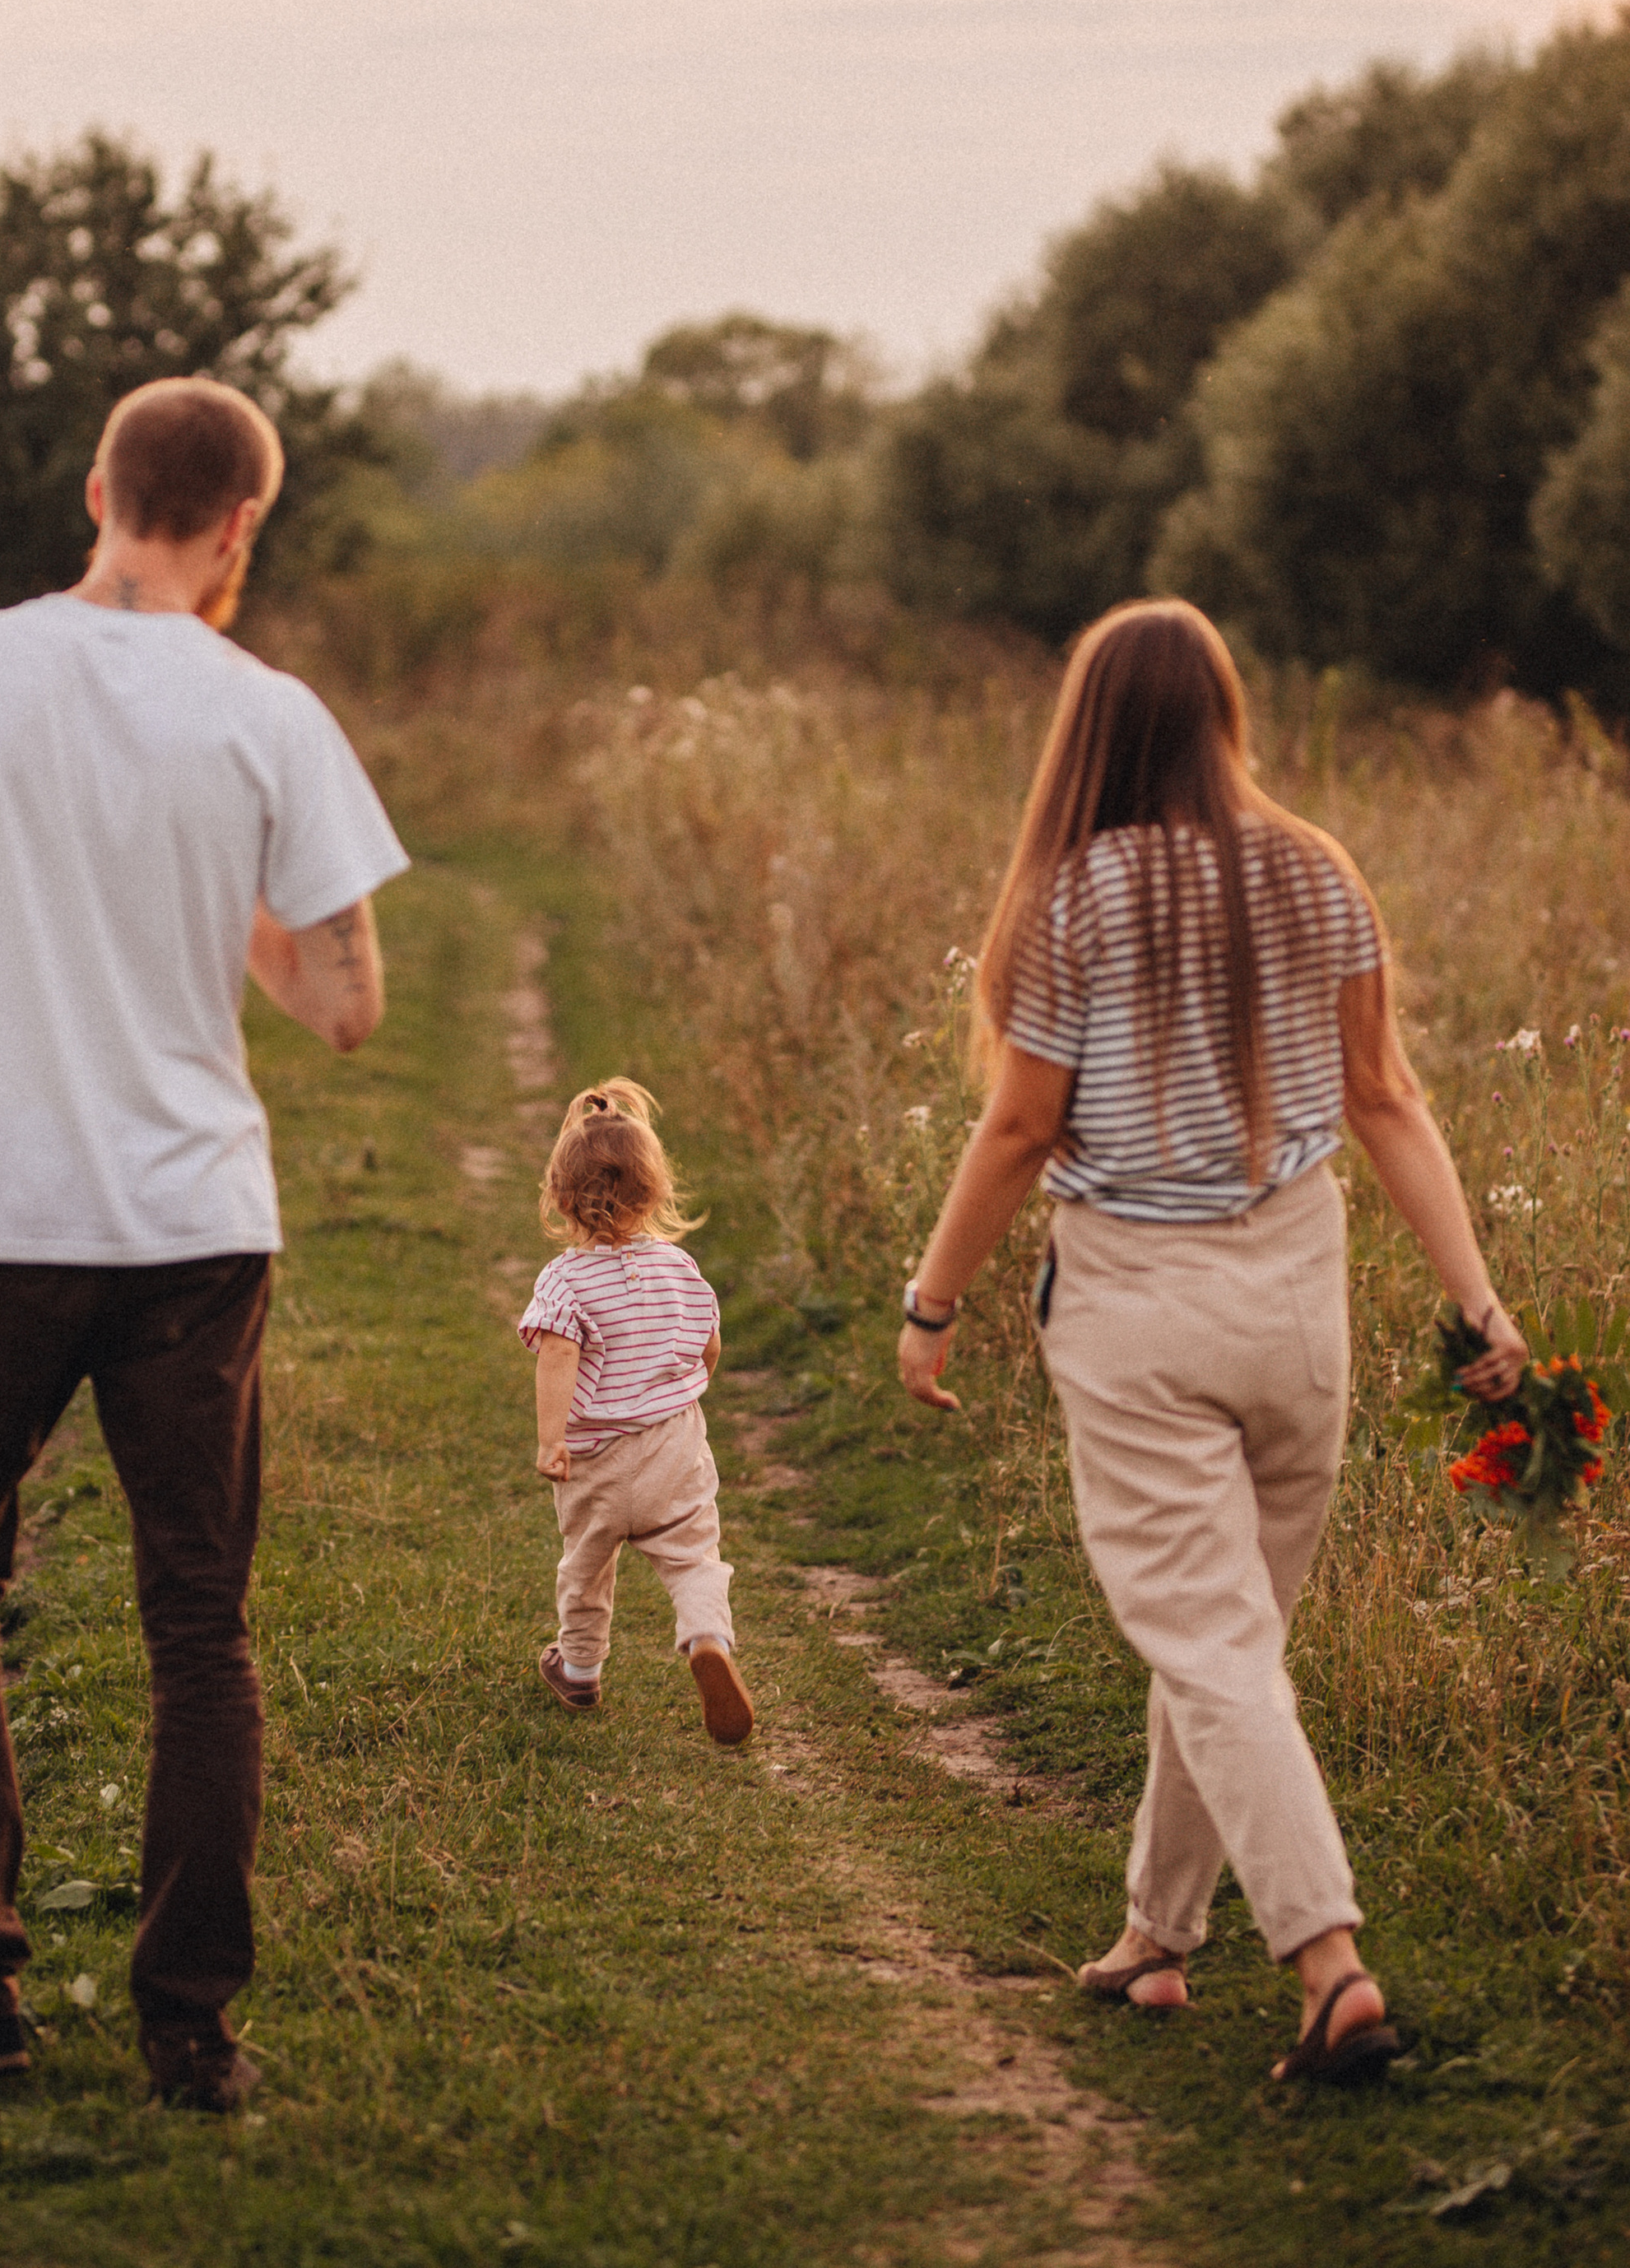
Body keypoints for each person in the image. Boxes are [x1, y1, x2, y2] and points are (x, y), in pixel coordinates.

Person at [0, 376, 408, 2112]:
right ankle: (190, 2032)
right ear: (243, 526)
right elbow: (351, 1004)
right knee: (197, 1622)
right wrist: (201, 891)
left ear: (94, 491)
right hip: (193, 1232)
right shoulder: (269, 716)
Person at [895, 599, 1526, 2088]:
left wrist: (931, 1304)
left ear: (1091, 729)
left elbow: (1020, 1125)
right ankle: (1156, 1938)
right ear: (1226, 716)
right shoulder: (1320, 871)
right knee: (1228, 1635)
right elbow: (1389, 1102)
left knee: (1213, 1641)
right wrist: (1477, 1300)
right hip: (1299, 1296)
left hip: (1141, 1303)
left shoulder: (1073, 898)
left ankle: (1328, 1964)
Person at [520, 1081, 755, 1746]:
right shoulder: (680, 1266)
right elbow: (708, 1347)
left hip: (597, 1457)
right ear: (654, 1192)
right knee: (694, 1559)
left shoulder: (565, 1280)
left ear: (562, 1198)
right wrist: (685, 1386)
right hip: (674, 1447)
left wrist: (551, 1442)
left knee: (586, 1566)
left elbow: (557, 1361)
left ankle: (581, 1668)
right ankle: (707, 1638)